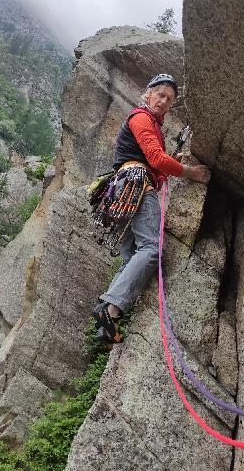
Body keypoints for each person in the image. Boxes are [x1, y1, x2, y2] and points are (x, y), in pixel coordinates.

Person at [93, 73, 211, 344]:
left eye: (168, 99)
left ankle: (106, 317)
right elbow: (156, 160)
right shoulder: (142, 118)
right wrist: (190, 172)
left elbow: (155, 164)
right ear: (148, 94)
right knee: (151, 249)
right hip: (135, 187)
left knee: (131, 256)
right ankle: (111, 309)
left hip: (122, 191)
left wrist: (171, 163)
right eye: (160, 94)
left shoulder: (148, 123)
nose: (163, 101)